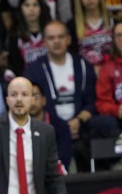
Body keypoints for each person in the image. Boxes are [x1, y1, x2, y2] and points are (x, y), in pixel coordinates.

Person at [25, 20, 97, 171]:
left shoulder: (83, 66)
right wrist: (62, 126)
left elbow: (91, 101)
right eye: (51, 38)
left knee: (103, 125)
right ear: (44, 42)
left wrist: (78, 120)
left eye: (60, 37)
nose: (56, 41)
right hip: (50, 127)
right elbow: (31, 104)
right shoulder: (35, 70)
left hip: (81, 125)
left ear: (68, 39)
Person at [67, 0, 115, 71]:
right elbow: (72, 56)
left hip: (112, 71)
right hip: (85, 73)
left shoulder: (113, 21)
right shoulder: (72, 26)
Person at [8, 0, 51, 77]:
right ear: (21, 8)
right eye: (27, 5)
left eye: (35, 5)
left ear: (41, 7)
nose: (31, 9)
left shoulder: (50, 31)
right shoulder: (15, 36)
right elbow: (16, 66)